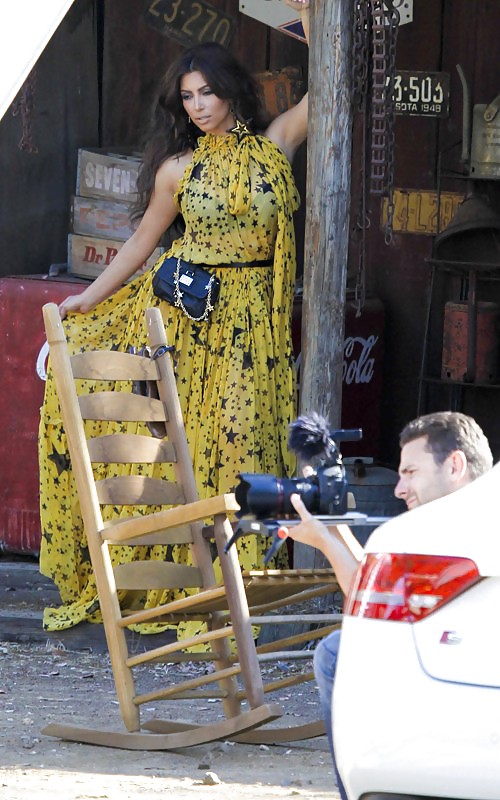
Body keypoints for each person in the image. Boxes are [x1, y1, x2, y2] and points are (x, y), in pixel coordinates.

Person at [38, 1, 311, 633]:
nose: (197, 106)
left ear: (231, 91)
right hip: (188, 316)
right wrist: (90, 297)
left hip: (253, 324)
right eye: (187, 96)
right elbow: (141, 245)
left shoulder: (275, 145)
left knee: (242, 441)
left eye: (207, 91)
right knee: (178, 449)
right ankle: (179, 583)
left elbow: (331, 94)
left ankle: (240, 587)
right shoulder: (177, 170)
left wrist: (318, 22)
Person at [283, 411, 493, 800]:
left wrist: (327, 541)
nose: (399, 488)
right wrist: (333, 527)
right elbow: (375, 595)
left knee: (336, 654)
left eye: (410, 472)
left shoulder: (458, 527)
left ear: (455, 465)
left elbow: (372, 615)